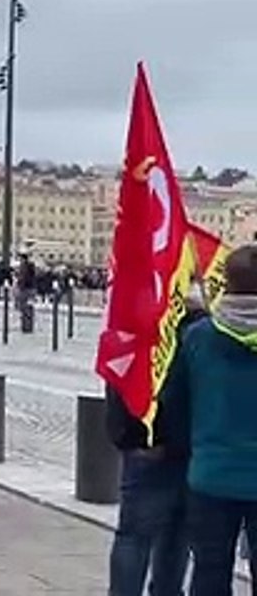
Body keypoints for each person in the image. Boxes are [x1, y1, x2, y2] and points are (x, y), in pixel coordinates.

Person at [160, 246, 257, 594]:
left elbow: (174, 404)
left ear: (227, 282)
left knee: (209, 572)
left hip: (211, 474)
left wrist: (183, 450)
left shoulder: (198, 337)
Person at [106, 287, 205, 596]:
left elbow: (117, 384)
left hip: (146, 448)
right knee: (176, 536)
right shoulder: (202, 332)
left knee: (134, 536)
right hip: (187, 449)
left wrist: (128, 438)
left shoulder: (132, 327)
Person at [16, 252, 38, 334]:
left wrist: (20, 286)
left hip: (26, 289)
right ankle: (27, 326)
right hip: (30, 289)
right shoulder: (29, 266)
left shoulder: (25, 267)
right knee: (28, 308)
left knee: (26, 308)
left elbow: (23, 278)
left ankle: (26, 326)